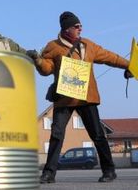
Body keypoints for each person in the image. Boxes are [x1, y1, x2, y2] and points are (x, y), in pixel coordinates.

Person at [26, 11, 133, 184]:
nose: (80, 28)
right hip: (64, 98)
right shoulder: (53, 46)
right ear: (66, 29)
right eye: (76, 26)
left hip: (87, 98)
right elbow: (46, 69)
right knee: (56, 135)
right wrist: (38, 60)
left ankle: (109, 170)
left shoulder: (88, 45)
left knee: (98, 135)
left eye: (80, 26)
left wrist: (129, 66)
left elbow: (109, 57)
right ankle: (48, 173)